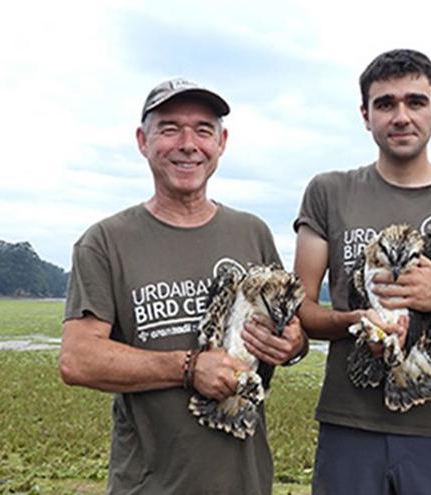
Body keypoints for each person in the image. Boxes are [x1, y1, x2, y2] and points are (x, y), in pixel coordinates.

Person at [59, 78, 307, 494]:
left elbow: (291, 332)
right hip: (151, 484)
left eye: (203, 130)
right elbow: (78, 359)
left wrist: (293, 345)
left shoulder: (252, 234)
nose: (188, 143)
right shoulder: (105, 242)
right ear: (143, 140)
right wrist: (190, 367)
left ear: (222, 142)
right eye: (170, 128)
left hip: (246, 481)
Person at [293, 49, 431, 495]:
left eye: (415, 102)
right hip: (349, 423)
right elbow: (303, 311)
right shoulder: (329, 192)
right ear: (365, 114)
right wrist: (356, 322)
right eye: (385, 103)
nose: (401, 116)